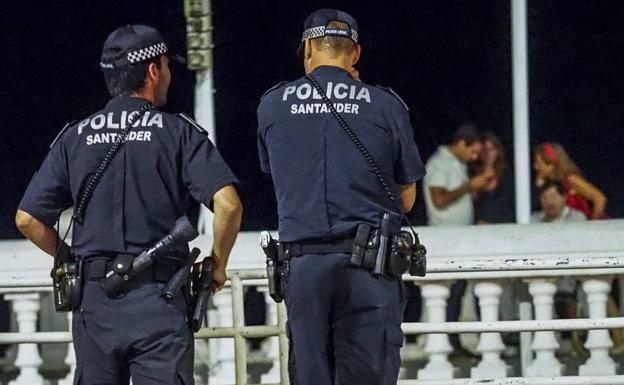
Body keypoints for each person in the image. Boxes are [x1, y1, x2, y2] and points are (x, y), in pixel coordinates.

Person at [15, 24, 242, 385]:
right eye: (166, 65)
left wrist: (70, 257)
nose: (168, 74)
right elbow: (228, 205)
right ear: (153, 70)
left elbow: (28, 219)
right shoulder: (177, 132)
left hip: (94, 302)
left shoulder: (75, 136)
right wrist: (217, 263)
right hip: (160, 301)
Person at [257, 9, 425, 385]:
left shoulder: (272, 105)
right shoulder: (385, 105)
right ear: (356, 53)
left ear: (308, 49)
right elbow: (408, 198)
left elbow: (277, 175)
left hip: (303, 271)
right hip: (369, 271)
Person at [423, 124, 492, 357]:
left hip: (460, 241)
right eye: (473, 151)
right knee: (450, 293)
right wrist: (468, 187)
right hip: (446, 241)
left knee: (459, 293)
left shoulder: (456, 165)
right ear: (462, 143)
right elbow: (439, 199)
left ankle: (454, 342)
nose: (474, 157)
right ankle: (447, 342)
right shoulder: (440, 164)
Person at [533, 142, 607, 219]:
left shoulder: (570, 179)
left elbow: (600, 198)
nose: (535, 167)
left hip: (581, 223)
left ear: (551, 165)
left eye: (538, 163)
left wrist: (593, 225)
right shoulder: (544, 182)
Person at [472, 132, 515, 224]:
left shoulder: (506, 175)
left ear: (498, 151)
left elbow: (509, 204)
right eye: (484, 150)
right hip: (478, 228)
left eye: (491, 149)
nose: (488, 154)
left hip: (500, 227)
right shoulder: (473, 174)